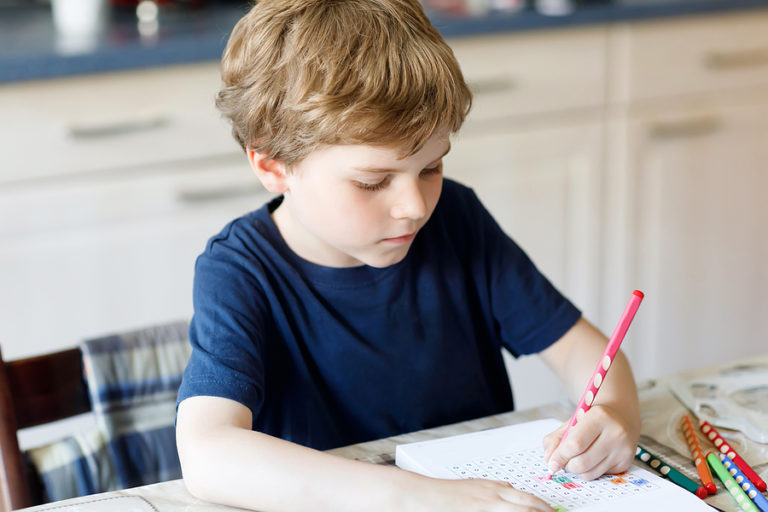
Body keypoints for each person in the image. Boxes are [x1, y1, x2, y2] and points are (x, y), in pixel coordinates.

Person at [175, 0, 641, 510]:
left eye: (431, 168)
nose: (414, 207)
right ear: (273, 165)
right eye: (372, 181)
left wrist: (616, 415)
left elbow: (584, 353)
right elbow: (208, 454)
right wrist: (416, 498)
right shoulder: (239, 271)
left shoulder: (457, 218)